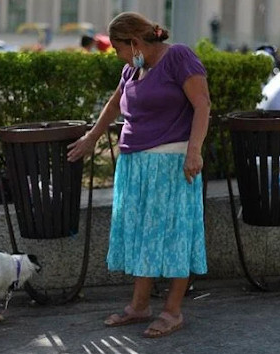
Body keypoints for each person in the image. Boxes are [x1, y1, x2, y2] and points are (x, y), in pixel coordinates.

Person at [67, 12, 210, 338]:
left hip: (171, 164)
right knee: (141, 236)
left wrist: (194, 151)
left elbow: (202, 105)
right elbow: (115, 104)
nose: (116, 55)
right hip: (135, 165)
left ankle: (172, 311)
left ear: (133, 42)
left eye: (117, 48)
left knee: (175, 235)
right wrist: (91, 138)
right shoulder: (133, 68)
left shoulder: (179, 57)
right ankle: (139, 306)